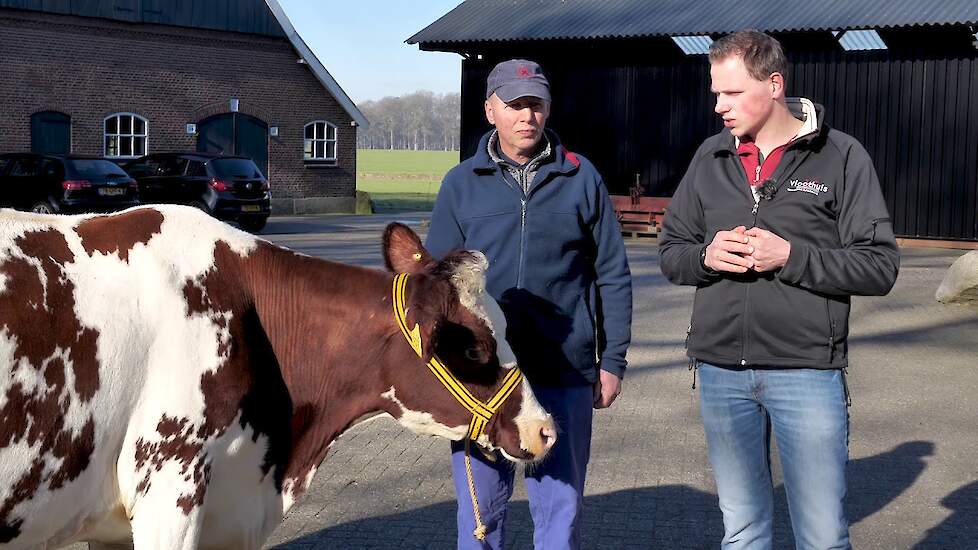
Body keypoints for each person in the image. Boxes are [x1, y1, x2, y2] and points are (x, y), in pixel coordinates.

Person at [659, 30, 899, 550]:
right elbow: (671, 249)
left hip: (807, 374)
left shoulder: (841, 156)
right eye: (715, 92)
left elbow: (879, 266)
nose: (719, 106)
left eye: (732, 93)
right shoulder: (710, 156)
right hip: (722, 373)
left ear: (773, 85)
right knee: (742, 532)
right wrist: (706, 256)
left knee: (821, 536)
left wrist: (792, 257)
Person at [425, 58, 632, 550]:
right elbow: (434, 284)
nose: (526, 116)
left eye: (535, 104)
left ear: (548, 109)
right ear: (490, 110)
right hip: (485, 381)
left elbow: (613, 275)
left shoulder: (582, 179)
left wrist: (613, 360)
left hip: (564, 374)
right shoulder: (461, 183)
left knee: (559, 513)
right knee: (481, 518)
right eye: (514, 105)